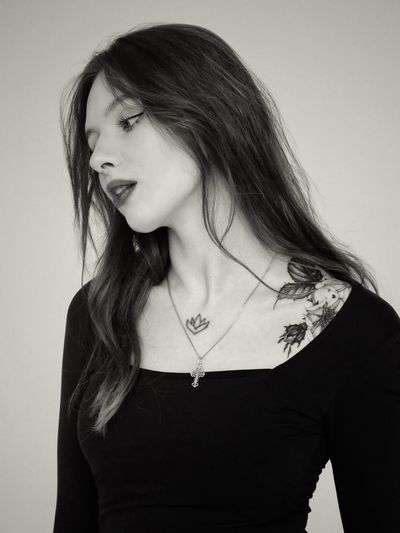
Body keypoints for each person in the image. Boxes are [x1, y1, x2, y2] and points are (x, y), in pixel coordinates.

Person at [53, 22, 400, 533]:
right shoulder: (98, 314)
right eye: (92, 142)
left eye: (128, 120)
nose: (98, 159)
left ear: (210, 114)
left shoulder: (355, 331)